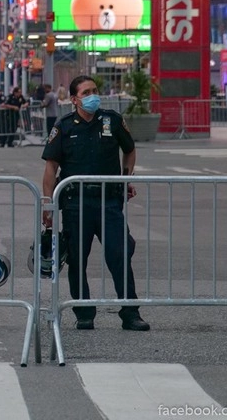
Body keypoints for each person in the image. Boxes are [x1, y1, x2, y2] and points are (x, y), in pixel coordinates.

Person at [41, 75, 150, 332]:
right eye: (87, 92)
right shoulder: (64, 126)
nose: (93, 95)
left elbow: (130, 149)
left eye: (95, 90)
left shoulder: (111, 120)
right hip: (75, 204)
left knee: (120, 255)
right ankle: (84, 313)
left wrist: (126, 178)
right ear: (74, 99)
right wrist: (48, 203)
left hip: (109, 201)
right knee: (78, 260)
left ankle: (130, 312)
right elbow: (50, 167)